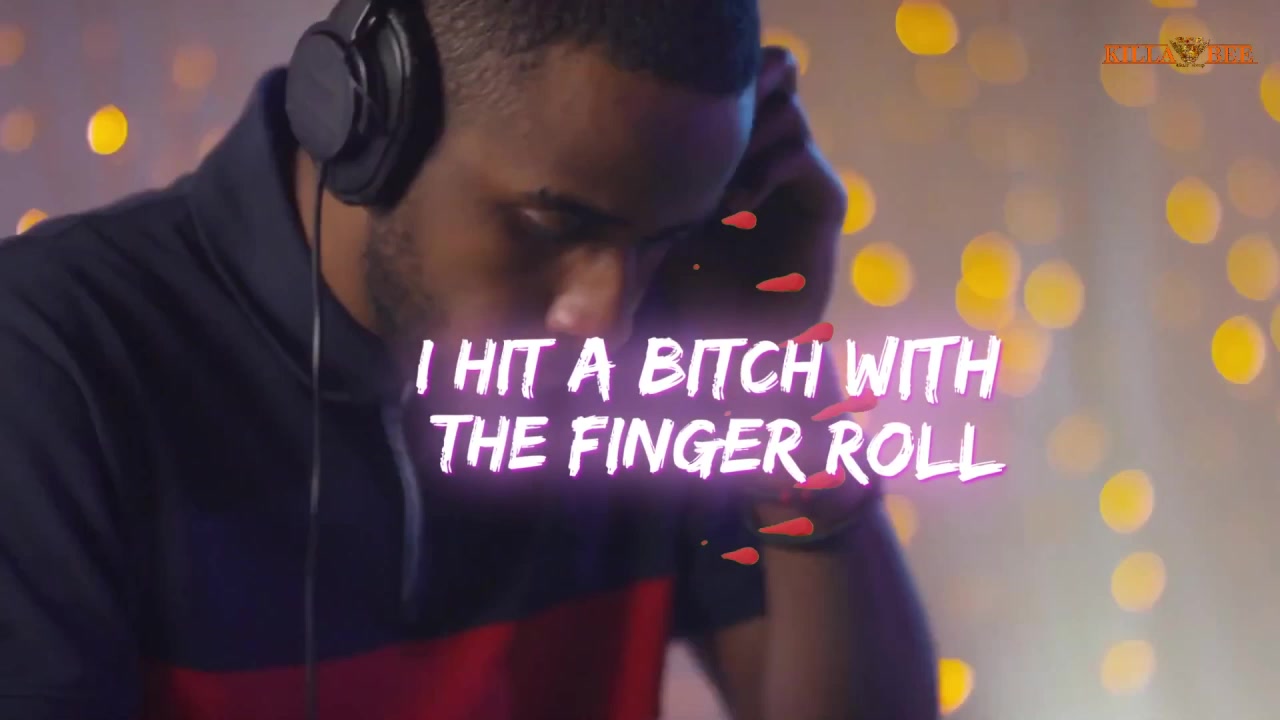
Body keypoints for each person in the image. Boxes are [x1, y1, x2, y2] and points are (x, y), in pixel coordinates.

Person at [0, 0, 936, 718]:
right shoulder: (51, 357)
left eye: (661, 239)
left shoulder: (667, 342)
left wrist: (776, 372)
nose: (604, 321)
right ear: (366, 123)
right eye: (550, 224)